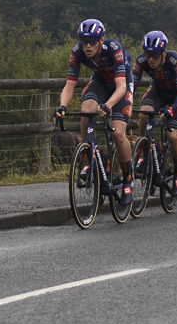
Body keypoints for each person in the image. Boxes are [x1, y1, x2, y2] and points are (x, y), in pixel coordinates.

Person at [55, 19, 135, 207]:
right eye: (84, 42)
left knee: (117, 132)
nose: (88, 46)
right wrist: (62, 106)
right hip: (99, 81)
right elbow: (70, 84)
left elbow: (122, 86)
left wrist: (108, 105)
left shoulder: (114, 48)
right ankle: (88, 158)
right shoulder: (77, 52)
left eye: (92, 41)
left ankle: (128, 181)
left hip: (121, 85)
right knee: (86, 112)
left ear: (101, 40)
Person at [131, 30, 177, 196]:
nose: (151, 59)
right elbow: (131, 87)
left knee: (172, 137)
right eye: (148, 55)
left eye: (155, 55)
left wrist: (172, 109)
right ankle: (146, 151)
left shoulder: (176, 61)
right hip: (158, 91)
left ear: (164, 52)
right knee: (143, 113)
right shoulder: (141, 61)